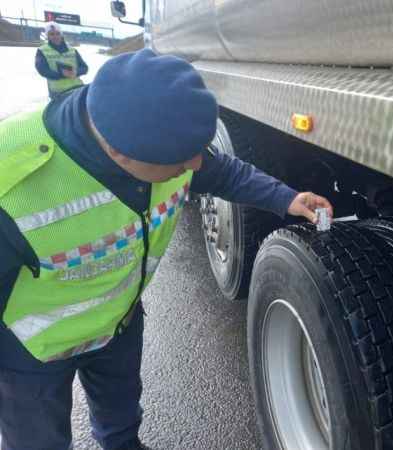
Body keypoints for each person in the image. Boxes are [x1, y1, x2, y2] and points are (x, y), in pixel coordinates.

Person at [0, 49, 333, 450]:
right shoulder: (12, 181)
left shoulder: (157, 142)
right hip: (33, 352)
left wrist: (287, 199)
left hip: (118, 325)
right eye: (182, 160)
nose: (195, 165)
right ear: (122, 155)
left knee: (121, 420)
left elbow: (221, 171)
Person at [35, 21, 88, 99]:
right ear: (47, 36)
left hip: (77, 88)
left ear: (61, 34)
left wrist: (76, 72)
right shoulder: (42, 51)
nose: (55, 36)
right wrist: (62, 74)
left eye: (57, 33)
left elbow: (85, 68)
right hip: (58, 93)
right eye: (51, 34)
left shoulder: (72, 50)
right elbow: (43, 71)